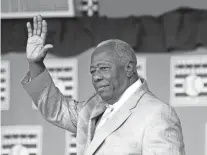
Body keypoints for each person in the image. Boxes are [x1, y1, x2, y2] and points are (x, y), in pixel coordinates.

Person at [21, 15, 185, 155]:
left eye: (104, 68)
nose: (97, 77)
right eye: (93, 71)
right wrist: (36, 65)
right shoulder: (93, 109)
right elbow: (56, 109)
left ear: (128, 68)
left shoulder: (157, 114)